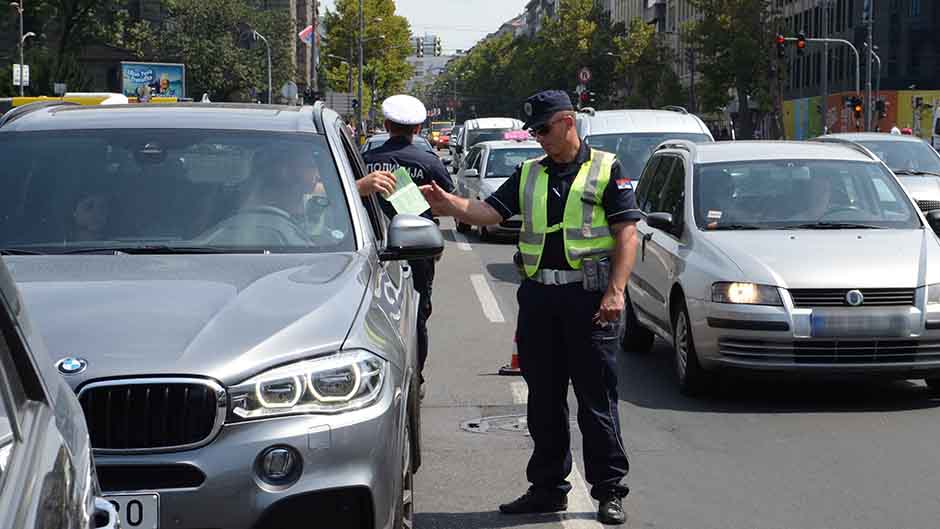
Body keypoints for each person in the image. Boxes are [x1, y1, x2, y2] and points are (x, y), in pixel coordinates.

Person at [421, 90, 640, 525]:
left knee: (596, 400)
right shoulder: (529, 173)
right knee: (542, 400)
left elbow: (627, 234)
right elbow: (489, 212)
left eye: (543, 129)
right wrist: (450, 206)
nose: (537, 137)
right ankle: (546, 488)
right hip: (540, 299)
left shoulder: (605, 168)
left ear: (567, 122)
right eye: (533, 130)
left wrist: (616, 292)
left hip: (590, 300)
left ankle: (609, 490)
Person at [358, 94, 455, 400]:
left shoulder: (364, 162)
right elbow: (447, 202)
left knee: (370, 317)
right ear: (418, 129)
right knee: (416, 316)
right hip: (416, 252)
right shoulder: (429, 162)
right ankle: (417, 377)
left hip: (368, 249)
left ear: (386, 125)